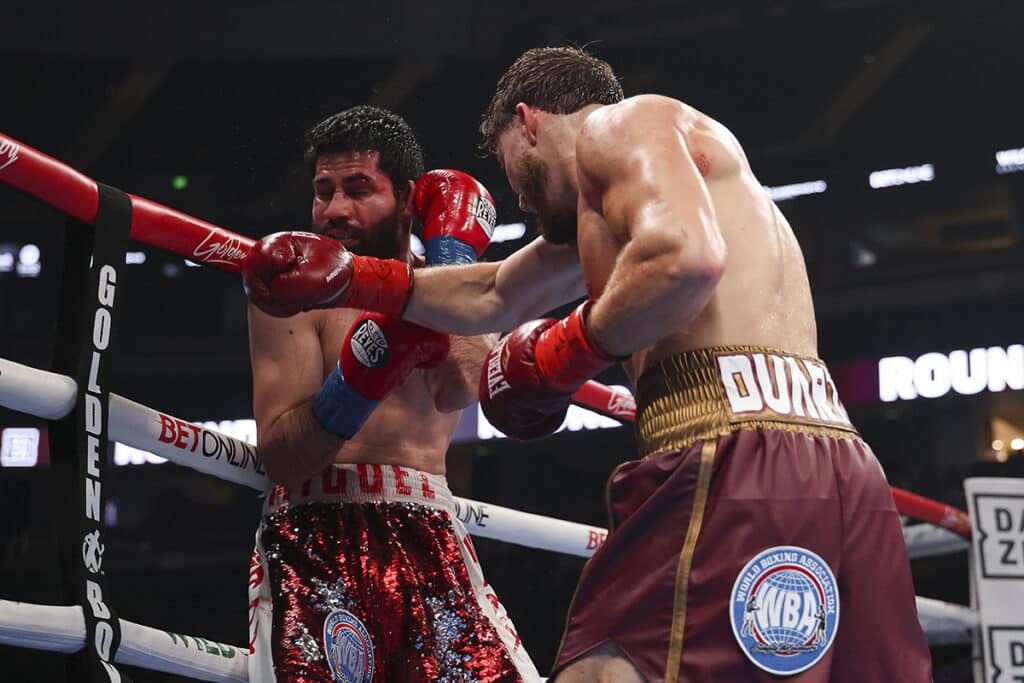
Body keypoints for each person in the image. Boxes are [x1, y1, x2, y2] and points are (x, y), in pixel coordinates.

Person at [243, 49, 932, 682]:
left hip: (733, 450)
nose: (515, 197)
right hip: (838, 456)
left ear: (528, 123)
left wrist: (567, 350)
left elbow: (686, 260)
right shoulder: (640, 195)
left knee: (601, 668)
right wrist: (354, 280)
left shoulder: (621, 126)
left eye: (510, 168)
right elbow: (494, 292)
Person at [243, 105, 540, 682]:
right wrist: (362, 375)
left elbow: (462, 383)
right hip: (316, 536)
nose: (335, 211)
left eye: (358, 190)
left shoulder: (453, 276)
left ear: (407, 198)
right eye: (322, 191)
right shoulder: (291, 286)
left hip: (430, 529)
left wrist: (448, 269)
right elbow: (283, 453)